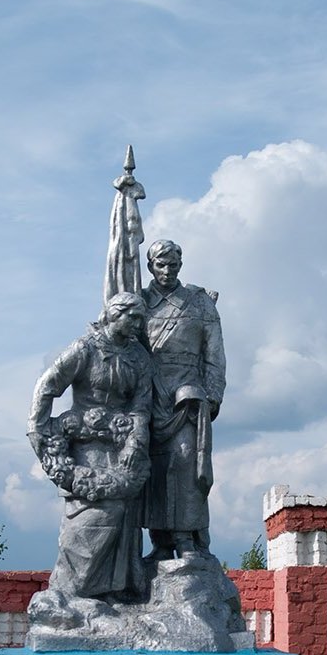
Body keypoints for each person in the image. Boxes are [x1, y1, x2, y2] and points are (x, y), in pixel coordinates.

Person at [28, 292, 153, 600]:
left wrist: (134, 444)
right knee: (88, 522)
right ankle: (74, 593)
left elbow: (141, 406)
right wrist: (37, 426)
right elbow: (48, 385)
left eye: (141, 318)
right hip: (85, 449)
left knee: (122, 524)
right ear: (114, 315)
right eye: (132, 317)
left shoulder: (139, 358)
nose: (138, 324)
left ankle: (111, 595)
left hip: (121, 451)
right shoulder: (85, 349)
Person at [140, 240, 226, 560]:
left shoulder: (199, 303)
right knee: (153, 468)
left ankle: (187, 536)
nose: (168, 270)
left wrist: (213, 396)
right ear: (151, 266)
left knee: (187, 459)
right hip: (150, 393)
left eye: (174, 264)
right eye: (161, 264)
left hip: (187, 394)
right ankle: (161, 542)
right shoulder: (140, 302)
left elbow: (214, 356)